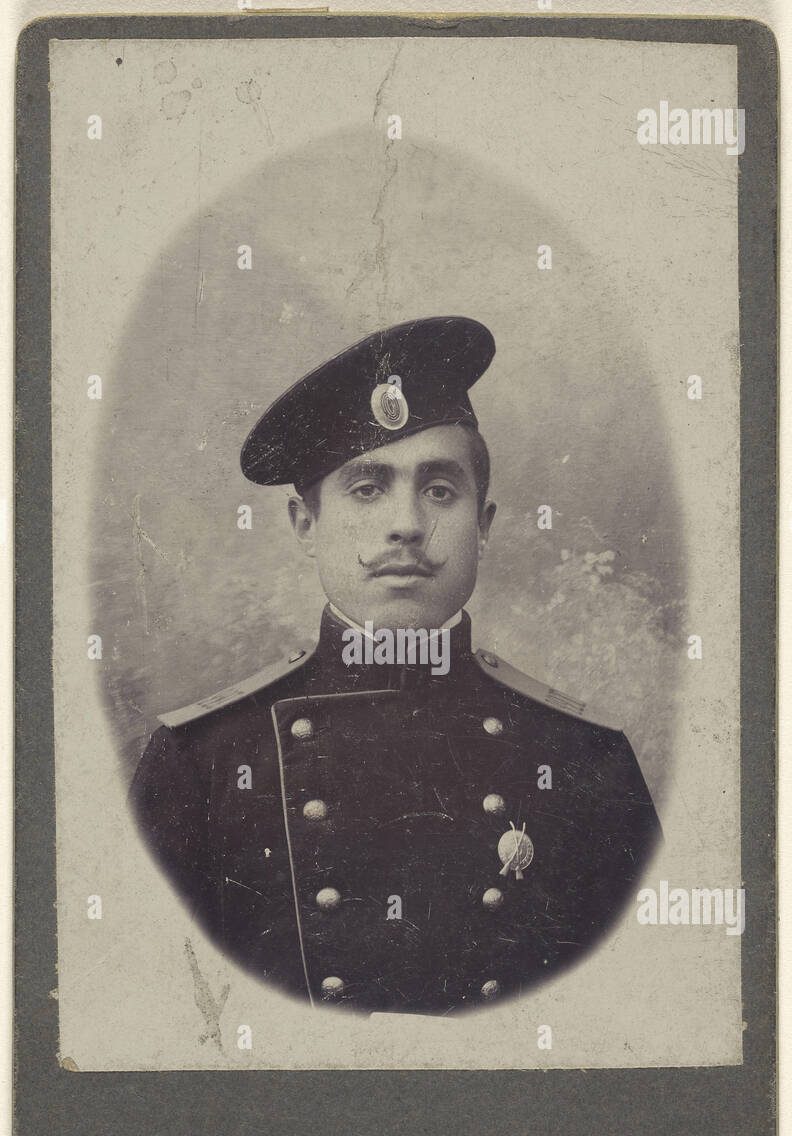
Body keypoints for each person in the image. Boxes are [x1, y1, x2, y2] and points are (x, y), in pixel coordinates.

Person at [130, 316, 661, 1014]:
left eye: (440, 490)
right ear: (305, 525)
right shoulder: (198, 761)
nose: (406, 524)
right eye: (366, 488)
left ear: (484, 525)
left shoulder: (588, 761)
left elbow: (638, 1018)